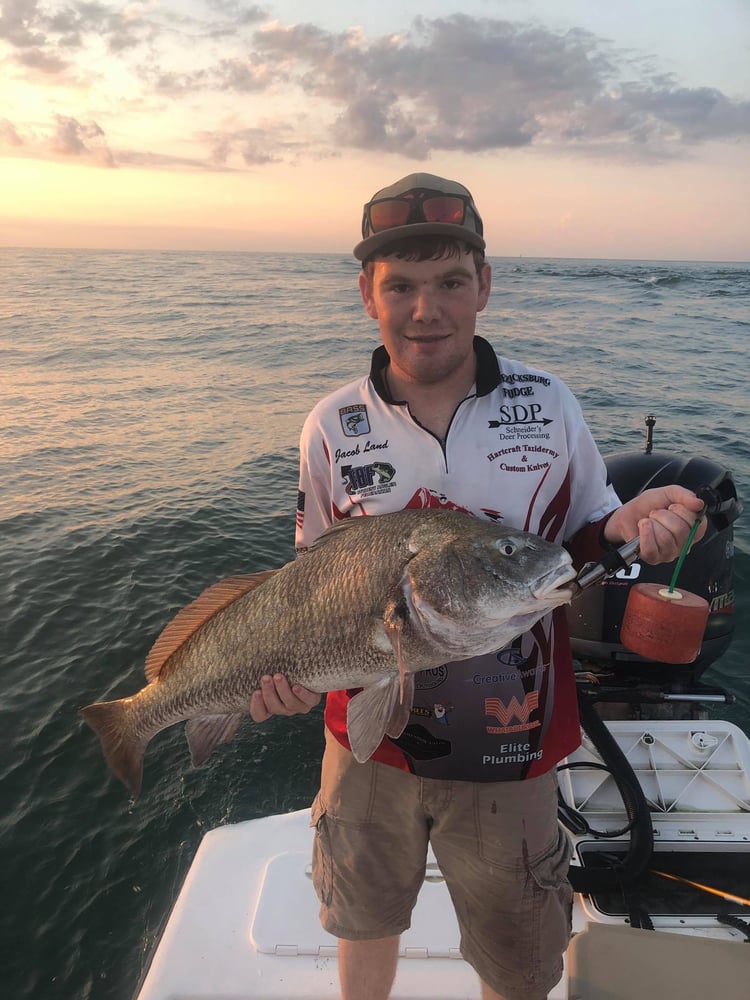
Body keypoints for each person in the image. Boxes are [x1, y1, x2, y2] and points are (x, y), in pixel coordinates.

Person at [249, 172, 706, 1000]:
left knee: (518, 961)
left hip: (515, 746)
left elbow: (589, 530)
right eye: (402, 287)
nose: (428, 309)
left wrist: (633, 522)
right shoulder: (330, 425)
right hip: (366, 745)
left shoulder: (549, 403)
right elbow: (308, 584)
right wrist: (278, 676)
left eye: (451, 282)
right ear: (367, 295)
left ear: (484, 285)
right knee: (365, 920)